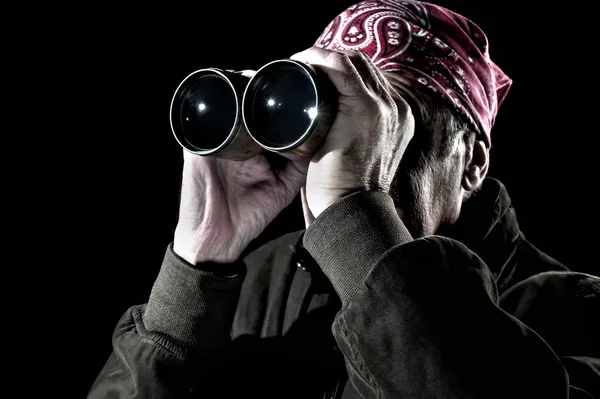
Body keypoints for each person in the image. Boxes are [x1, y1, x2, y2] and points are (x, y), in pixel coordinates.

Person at [88, 0, 600, 397]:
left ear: (473, 162)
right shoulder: (258, 283)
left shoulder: (572, 309)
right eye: (335, 126)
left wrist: (357, 221)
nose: (353, 154)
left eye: (394, 125)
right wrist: (194, 269)